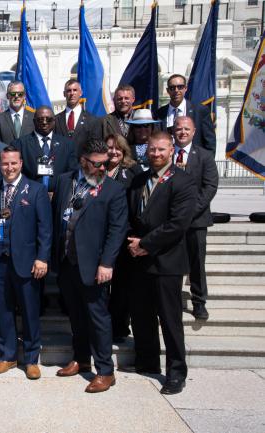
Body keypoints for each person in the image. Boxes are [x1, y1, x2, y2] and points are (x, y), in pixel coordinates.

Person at [51, 140, 127, 393]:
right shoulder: (64, 181)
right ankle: (81, 358)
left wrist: (107, 263)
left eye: (105, 163)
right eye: (97, 163)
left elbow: (117, 230)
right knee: (76, 315)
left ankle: (105, 371)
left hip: (95, 265)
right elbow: (56, 218)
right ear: (83, 159)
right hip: (67, 262)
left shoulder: (113, 189)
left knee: (98, 318)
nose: (102, 168)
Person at [125, 131, 196, 395]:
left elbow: (177, 224)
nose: (156, 154)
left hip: (167, 262)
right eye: (152, 149)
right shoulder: (140, 180)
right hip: (139, 262)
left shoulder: (183, 181)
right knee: (142, 316)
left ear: (171, 150)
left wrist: (145, 244)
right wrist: (133, 242)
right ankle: (147, 361)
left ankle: (176, 373)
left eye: (161, 150)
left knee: (170, 320)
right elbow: (133, 215)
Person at [0, 146, 52, 380]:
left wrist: (42, 258)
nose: (9, 168)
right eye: (5, 164)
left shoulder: (36, 190)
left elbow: (45, 228)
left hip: (27, 262)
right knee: (3, 310)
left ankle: (31, 359)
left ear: (21, 163)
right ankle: (8, 355)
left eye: (13, 163)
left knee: (30, 312)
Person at [172, 116, 219, 320]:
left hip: (196, 221)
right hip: (170, 221)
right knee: (171, 263)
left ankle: (199, 301)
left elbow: (210, 187)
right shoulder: (166, 153)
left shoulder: (204, 156)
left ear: (193, 131)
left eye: (186, 129)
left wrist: (189, 211)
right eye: (178, 128)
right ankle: (171, 300)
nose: (182, 132)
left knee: (197, 263)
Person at [104, 133, 143, 342]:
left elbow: (138, 203)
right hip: (101, 235)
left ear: (124, 150)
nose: (113, 152)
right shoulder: (98, 169)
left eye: (118, 148)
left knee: (121, 286)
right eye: (109, 147)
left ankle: (119, 327)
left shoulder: (132, 171)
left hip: (124, 235)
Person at [12, 106, 78, 192]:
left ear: (54, 121)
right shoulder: (19, 144)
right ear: (34, 121)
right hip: (29, 198)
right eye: (40, 119)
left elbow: (72, 175)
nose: (44, 122)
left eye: (48, 119)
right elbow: (16, 175)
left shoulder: (67, 144)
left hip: (59, 197)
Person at [157, 74, 216, 153]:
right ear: (168, 91)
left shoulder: (200, 111)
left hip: (194, 161)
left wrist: (207, 163)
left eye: (180, 87)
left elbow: (210, 142)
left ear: (185, 88)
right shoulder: (159, 113)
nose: (176, 90)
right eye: (172, 88)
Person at [54, 79, 102, 151]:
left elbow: (96, 147)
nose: (72, 93)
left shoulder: (93, 120)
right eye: (69, 91)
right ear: (64, 94)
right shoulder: (55, 120)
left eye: (75, 90)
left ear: (80, 93)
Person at [0, 81, 34, 145]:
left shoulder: (33, 118)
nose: (16, 96)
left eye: (20, 94)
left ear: (24, 96)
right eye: (13, 93)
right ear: (7, 96)